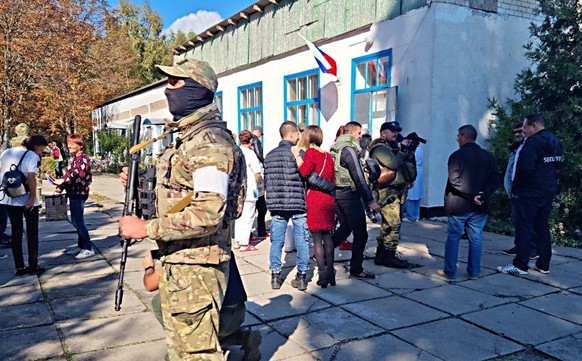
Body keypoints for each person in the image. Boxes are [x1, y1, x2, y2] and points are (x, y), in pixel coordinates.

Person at [119, 58, 247, 361]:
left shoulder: (209, 144)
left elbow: (208, 214)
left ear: (196, 89)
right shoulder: (189, 138)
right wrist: (139, 186)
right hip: (181, 260)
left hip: (197, 267)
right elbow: (180, 193)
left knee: (197, 354)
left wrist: (146, 229)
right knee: (181, 351)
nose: (167, 89)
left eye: (175, 83)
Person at [142, 249, 261, 360]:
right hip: (236, 315)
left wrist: (149, 267)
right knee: (214, 328)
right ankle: (243, 337)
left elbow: (149, 284)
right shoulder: (223, 247)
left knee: (159, 301)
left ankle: (184, 345)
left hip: (209, 320)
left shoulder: (182, 255)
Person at [498, 114, 562, 276]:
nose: (524, 131)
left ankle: (520, 265)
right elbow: (557, 165)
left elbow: (525, 168)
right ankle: (543, 264)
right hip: (547, 192)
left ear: (534, 126)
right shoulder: (554, 140)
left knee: (524, 227)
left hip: (529, 193)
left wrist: (516, 189)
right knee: (542, 227)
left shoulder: (533, 142)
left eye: (525, 127)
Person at [438, 125, 500, 280]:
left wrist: (472, 195)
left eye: (458, 135)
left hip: (459, 204)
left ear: (464, 136)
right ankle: (474, 272)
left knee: (453, 237)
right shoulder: (488, 156)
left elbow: (455, 181)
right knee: (476, 239)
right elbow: (495, 180)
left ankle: (450, 271)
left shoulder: (457, 156)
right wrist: (482, 194)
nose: (457, 139)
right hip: (480, 205)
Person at [330, 121, 380, 279]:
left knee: (345, 228)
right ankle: (356, 269)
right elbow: (358, 177)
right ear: (352, 132)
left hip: (336, 193)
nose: (360, 137)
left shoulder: (336, 147)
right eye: (359, 134)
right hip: (349, 195)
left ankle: (324, 252)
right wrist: (370, 200)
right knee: (361, 234)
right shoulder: (349, 150)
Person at [264, 121, 310, 290]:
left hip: (277, 204)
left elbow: (268, 181)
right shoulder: (298, 154)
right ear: (291, 134)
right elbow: (305, 175)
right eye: (298, 134)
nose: (299, 137)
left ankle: (275, 276)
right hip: (297, 202)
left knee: (276, 241)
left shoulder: (269, 155)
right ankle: (302, 275)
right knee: (302, 240)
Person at [368, 122, 417, 268]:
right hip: (386, 192)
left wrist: (409, 151)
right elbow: (393, 164)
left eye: (397, 131)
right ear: (383, 133)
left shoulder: (391, 147)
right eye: (393, 131)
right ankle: (389, 256)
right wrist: (402, 151)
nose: (396, 134)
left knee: (388, 225)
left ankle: (381, 255)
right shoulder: (379, 148)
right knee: (394, 224)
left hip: (395, 191)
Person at [0, 132, 49, 276]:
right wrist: (33, 198)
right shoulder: (31, 156)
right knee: (32, 233)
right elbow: (32, 178)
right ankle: (33, 266)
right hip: (26, 198)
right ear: (36, 146)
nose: (41, 152)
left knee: (16, 232)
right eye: (41, 149)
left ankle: (19, 267)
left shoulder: (6, 152)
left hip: (8, 198)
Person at [297, 125, 336, 288]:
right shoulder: (328, 155)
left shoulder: (310, 154)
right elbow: (332, 178)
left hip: (314, 198)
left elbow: (305, 173)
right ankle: (331, 273)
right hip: (328, 198)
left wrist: (298, 158)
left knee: (317, 240)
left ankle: (322, 275)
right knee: (328, 237)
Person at [501, 123, 537, 258]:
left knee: (526, 222)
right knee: (517, 221)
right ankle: (519, 245)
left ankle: (532, 249)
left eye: (520, 131)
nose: (517, 134)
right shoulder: (517, 148)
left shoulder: (529, 148)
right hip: (514, 193)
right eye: (515, 132)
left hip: (524, 193)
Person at [56, 134, 94, 259]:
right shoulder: (76, 158)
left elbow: (78, 176)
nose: (69, 146)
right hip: (74, 192)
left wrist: (63, 183)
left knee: (78, 221)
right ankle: (81, 245)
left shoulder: (82, 158)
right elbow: (71, 175)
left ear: (80, 145)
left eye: (72, 144)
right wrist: (62, 185)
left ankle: (88, 248)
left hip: (79, 193)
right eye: (68, 143)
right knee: (76, 219)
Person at [233, 130, 262, 252]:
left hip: (238, 190)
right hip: (249, 189)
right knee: (248, 216)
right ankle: (245, 243)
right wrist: (256, 182)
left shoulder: (235, 151)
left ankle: (237, 241)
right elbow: (257, 172)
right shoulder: (250, 153)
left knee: (239, 216)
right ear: (250, 141)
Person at [251, 125, 268, 239]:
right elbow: (258, 154)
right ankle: (261, 230)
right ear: (258, 132)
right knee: (261, 205)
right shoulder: (256, 140)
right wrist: (264, 162)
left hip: (251, 182)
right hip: (257, 178)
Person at [404, 140, 424, 222]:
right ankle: (416, 216)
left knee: (411, 196)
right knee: (417, 196)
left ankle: (410, 216)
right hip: (419, 171)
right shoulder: (420, 149)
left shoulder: (413, 150)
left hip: (413, 171)